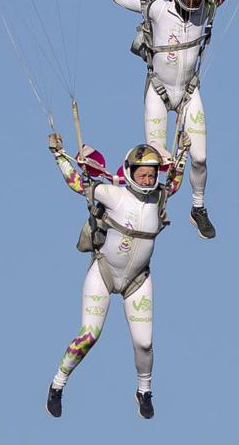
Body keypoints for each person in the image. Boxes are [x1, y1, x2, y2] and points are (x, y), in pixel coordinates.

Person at [103, 0, 239, 239]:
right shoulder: (157, 9)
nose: (193, 2)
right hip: (159, 90)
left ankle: (198, 207)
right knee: (159, 158)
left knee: (201, 158)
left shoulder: (204, 10)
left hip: (188, 92)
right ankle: (151, 208)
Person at [45, 135, 190, 420]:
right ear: (131, 173)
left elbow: (175, 182)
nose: (148, 180)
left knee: (144, 343)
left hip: (137, 280)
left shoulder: (160, 196)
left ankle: (144, 391)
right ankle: (57, 385)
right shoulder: (114, 195)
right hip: (104, 273)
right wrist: (59, 155)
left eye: (152, 175)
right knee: (89, 336)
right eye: (143, 175)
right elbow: (78, 184)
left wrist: (182, 151)